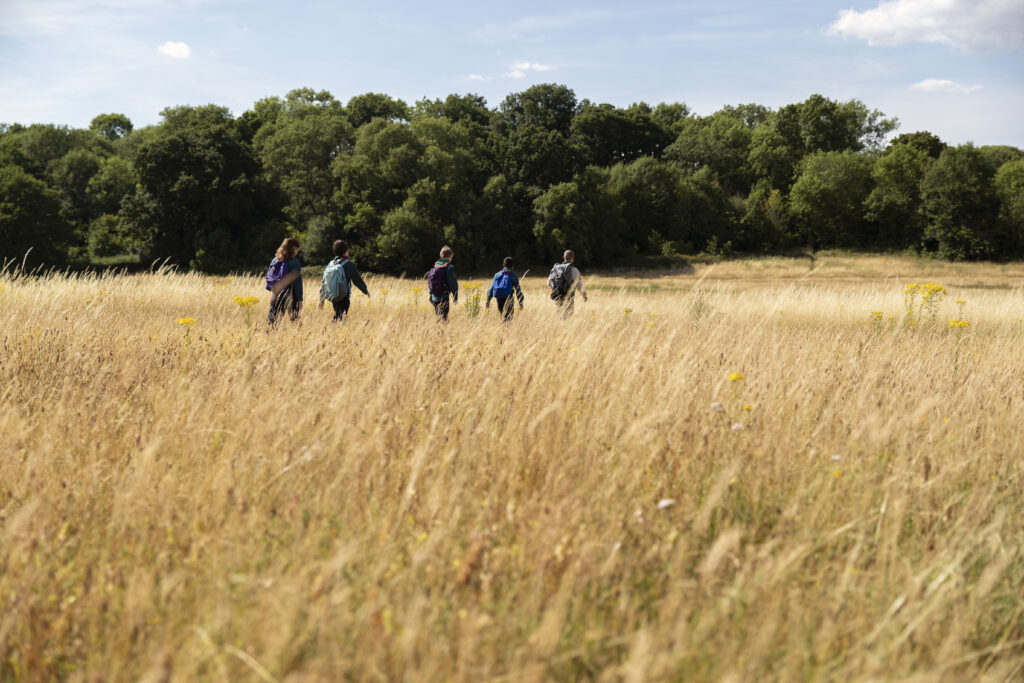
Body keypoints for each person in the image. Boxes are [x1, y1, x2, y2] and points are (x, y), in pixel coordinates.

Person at [318, 239, 370, 321]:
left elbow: (324, 282)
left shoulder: (331, 264)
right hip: (343, 296)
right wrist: (365, 290)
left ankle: (333, 327)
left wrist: (321, 299)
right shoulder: (349, 264)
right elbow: (357, 280)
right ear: (346, 251)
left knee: (339, 315)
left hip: (333, 295)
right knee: (340, 317)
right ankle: (330, 328)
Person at [266, 237, 303, 325]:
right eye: (297, 250)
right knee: (296, 323)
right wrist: (300, 300)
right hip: (290, 295)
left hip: (275, 294)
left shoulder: (275, 260)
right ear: (294, 248)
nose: (297, 252)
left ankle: (269, 333)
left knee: (272, 322)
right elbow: (297, 283)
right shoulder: (294, 262)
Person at [547, 249, 588, 319]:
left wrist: (558, 288)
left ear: (564, 257)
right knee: (568, 316)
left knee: (561, 315)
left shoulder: (555, 269)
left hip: (558, 296)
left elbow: (548, 282)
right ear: (573, 259)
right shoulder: (574, 270)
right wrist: (584, 296)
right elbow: (579, 285)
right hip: (569, 297)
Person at [485, 256, 525, 322]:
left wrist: (488, 300)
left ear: (503, 265)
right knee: (509, 317)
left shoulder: (497, 275)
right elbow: (518, 290)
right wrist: (520, 303)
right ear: (512, 266)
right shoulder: (513, 276)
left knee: (502, 315)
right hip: (508, 298)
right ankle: (506, 327)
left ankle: (503, 327)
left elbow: (491, 288)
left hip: (499, 298)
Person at [425, 245, 459, 322]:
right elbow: (453, 283)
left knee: (439, 316)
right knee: (444, 318)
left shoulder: (435, 268)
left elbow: (431, 284)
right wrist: (455, 297)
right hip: (444, 297)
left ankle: (439, 328)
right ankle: (441, 329)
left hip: (434, 297)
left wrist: (431, 297)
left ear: (441, 255)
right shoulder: (449, 267)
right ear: (451, 256)